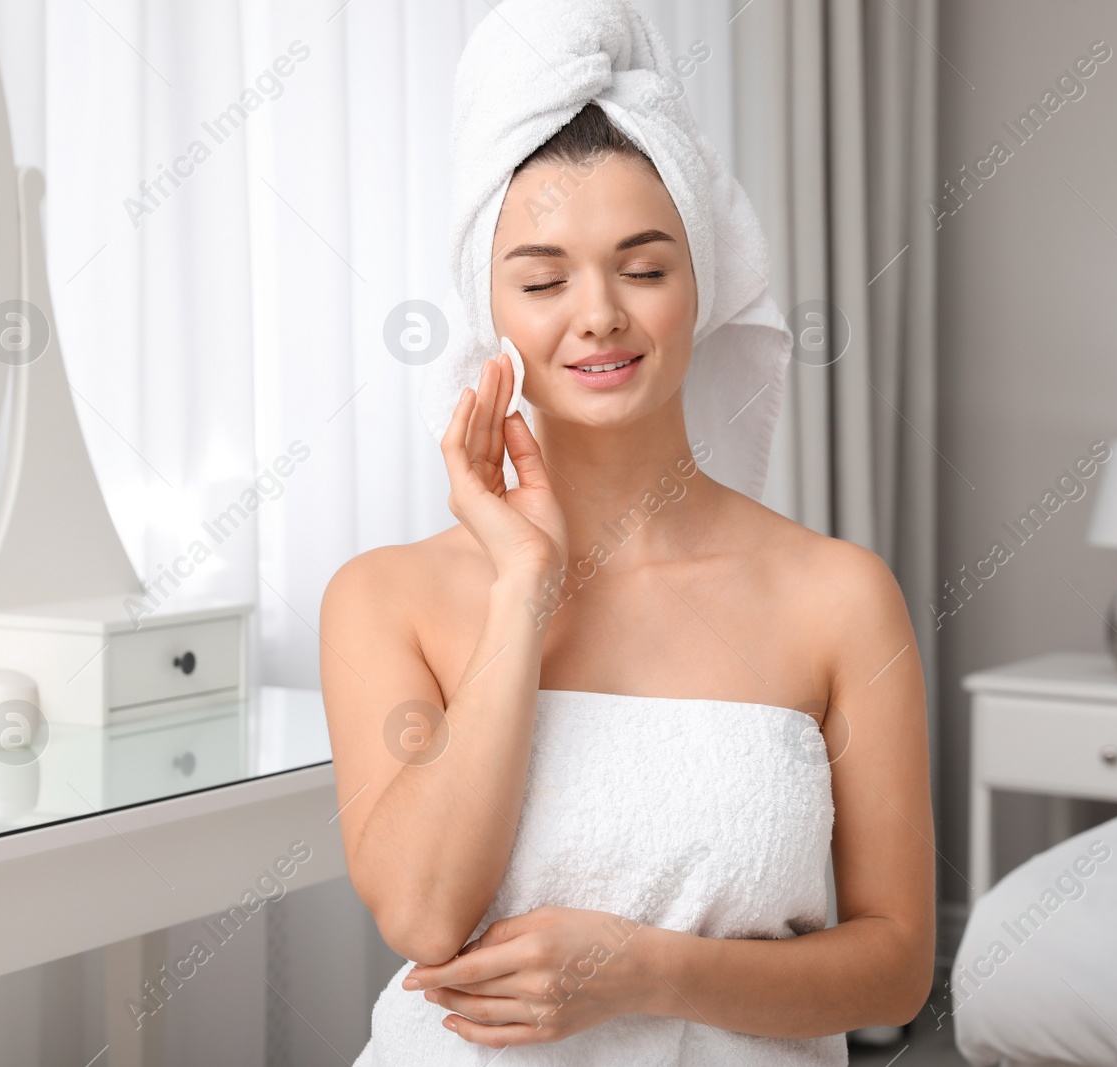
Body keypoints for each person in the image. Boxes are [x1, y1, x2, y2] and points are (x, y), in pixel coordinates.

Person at [320, 4, 933, 1061]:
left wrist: (643, 969)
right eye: (544, 279)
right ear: (490, 311)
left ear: (700, 290)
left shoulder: (835, 595)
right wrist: (524, 584)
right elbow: (423, 913)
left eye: (643, 269)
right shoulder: (384, 599)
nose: (597, 312)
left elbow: (894, 967)